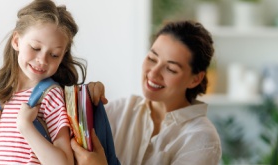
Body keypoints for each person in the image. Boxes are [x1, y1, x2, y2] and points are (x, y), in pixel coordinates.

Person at [71, 20, 222, 165]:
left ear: (195, 79)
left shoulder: (202, 139)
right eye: (152, 58)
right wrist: (85, 104)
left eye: (171, 69)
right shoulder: (119, 111)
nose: (154, 73)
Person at [0, 0, 87, 164]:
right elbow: (14, 156)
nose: (42, 60)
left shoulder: (51, 96)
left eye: (54, 55)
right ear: (17, 41)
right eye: (35, 47)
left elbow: (64, 162)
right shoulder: (10, 96)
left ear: (62, 56)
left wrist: (27, 128)